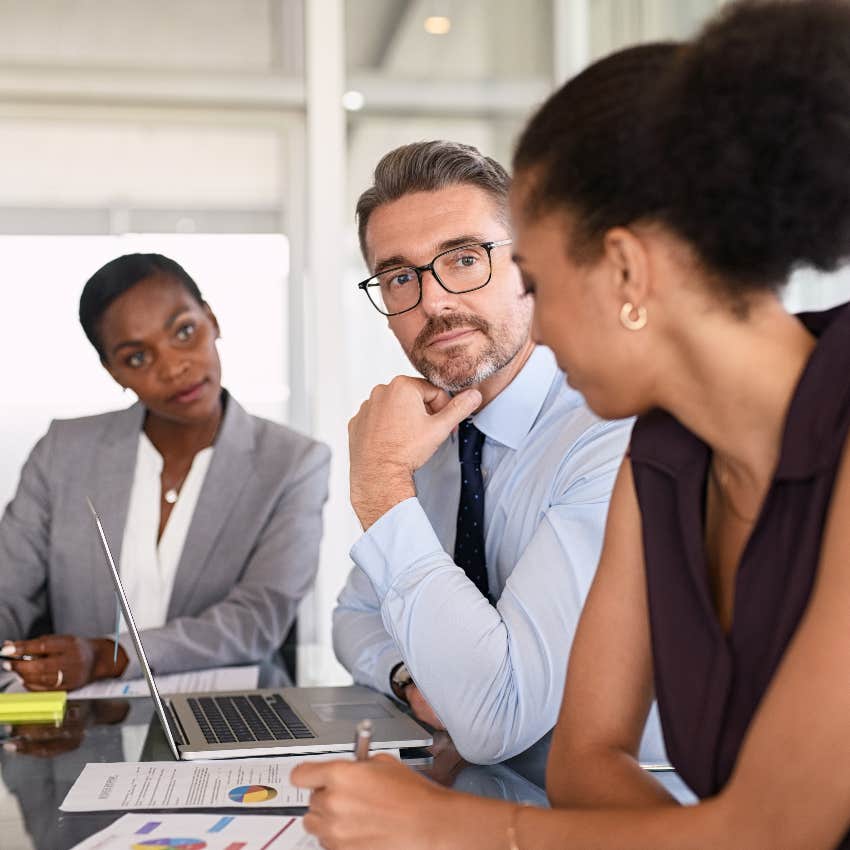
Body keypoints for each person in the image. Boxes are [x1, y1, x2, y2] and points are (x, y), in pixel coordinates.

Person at [292, 1, 850, 848]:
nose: (537, 331)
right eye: (402, 279)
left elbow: (775, 830)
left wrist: (456, 827)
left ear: (624, 268)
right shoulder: (661, 461)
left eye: (540, 283)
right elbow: (584, 764)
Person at [333, 139, 665, 780]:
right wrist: (410, 679)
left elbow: (496, 717)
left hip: (636, 811)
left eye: (463, 259)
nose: (432, 302)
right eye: (400, 276)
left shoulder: (612, 434)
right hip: (481, 795)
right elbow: (353, 618)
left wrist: (379, 487)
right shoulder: (427, 438)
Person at [0, 253, 330, 692]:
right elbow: (8, 591)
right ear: (113, 371)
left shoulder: (293, 463)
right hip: (82, 726)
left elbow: (257, 619)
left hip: (227, 720)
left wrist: (107, 656)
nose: (174, 366)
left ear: (211, 319)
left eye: (184, 332)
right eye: (137, 357)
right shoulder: (62, 452)